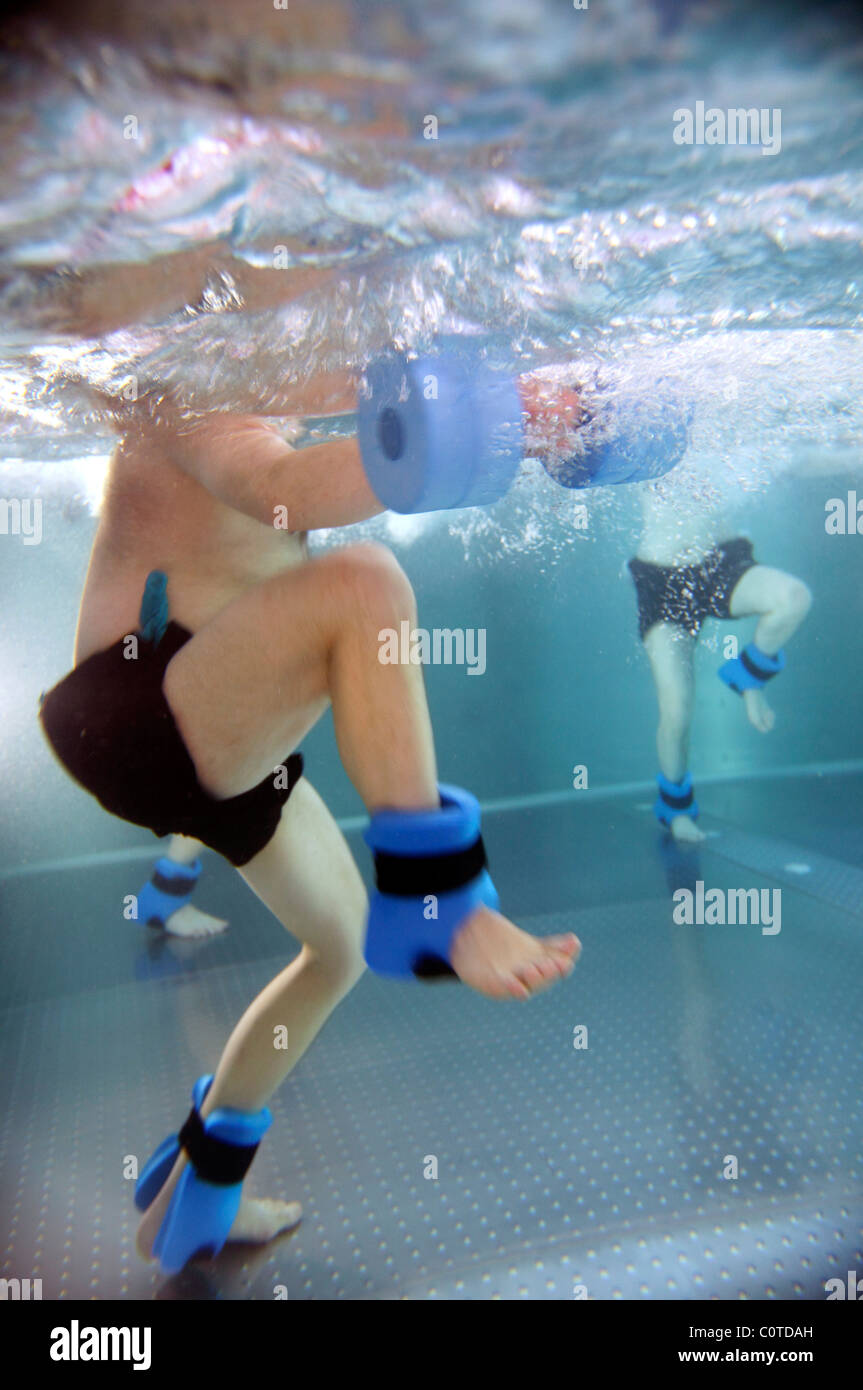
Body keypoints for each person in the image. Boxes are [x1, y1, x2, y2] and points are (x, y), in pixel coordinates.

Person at [38, 376, 581, 1268]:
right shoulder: (189, 389)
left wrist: (539, 401)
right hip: (137, 711)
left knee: (339, 949)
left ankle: (198, 1200)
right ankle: (438, 897)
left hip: (215, 734)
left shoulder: (273, 379)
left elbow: (341, 384)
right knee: (363, 583)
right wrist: (505, 421)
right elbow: (284, 491)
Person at [628, 485, 812, 843]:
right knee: (676, 713)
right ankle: (676, 808)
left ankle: (749, 676)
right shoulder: (647, 434)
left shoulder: (731, 434)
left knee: (794, 597)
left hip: (722, 563)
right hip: (660, 580)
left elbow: (809, 455)